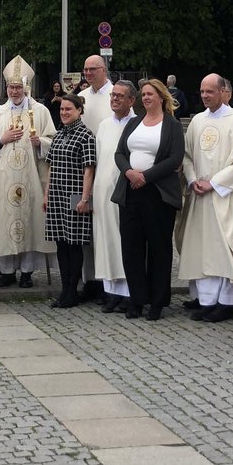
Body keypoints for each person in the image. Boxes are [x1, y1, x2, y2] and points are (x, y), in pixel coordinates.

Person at [178, 74, 233, 323]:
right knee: (202, 248)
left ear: (223, 92)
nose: (204, 96)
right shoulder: (197, 121)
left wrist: (213, 183)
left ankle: (228, 301)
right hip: (200, 195)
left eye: (209, 91)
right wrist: (193, 180)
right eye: (201, 91)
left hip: (225, 196)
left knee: (225, 248)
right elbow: (187, 156)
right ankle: (206, 300)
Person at [114, 78, 184, 321]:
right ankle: (136, 299)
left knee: (158, 248)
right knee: (131, 247)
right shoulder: (134, 123)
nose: (145, 98)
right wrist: (129, 172)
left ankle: (157, 301)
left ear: (162, 97)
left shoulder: (172, 126)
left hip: (157, 193)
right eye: (143, 94)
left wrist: (146, 176)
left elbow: (175, 158)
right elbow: (120, 152)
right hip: (130, 190)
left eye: (150, 94)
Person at [0, 57, 54, 288]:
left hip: (31, 176)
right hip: (4, 178)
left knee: (30, 222)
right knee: (5, 222)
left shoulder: (40, 111)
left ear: (26, 88)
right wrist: (1, 140)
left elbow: (53, 141)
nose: (14, 91)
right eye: (11, 87)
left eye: (18, 87)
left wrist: (39, 142)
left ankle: (26, 272)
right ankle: (6, 271)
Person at [44, 93, 97, 308]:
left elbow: (89, 170)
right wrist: (46, 194)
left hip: (75, 196)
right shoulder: (58, 135)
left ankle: (72, 292)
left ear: (79, 111)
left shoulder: (86, 136)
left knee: (74, 245)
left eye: (69, 109)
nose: (64, 113)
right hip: (57, 195)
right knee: (61, 244)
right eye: (62, 109)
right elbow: (51, 166)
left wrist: (86, 198)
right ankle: (64, 290)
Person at [92, 80, 137, 313]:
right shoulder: (104, 125)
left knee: (126, 242)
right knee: (106, 240)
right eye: (113, 96)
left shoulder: (138, 124)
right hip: (102, 191)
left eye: (120, 96)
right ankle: (112, 292)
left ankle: (130, 291)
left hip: (126, 191)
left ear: (131, 100)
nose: (115, 99)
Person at [77, 54, 113, 301]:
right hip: (81, 169)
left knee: (104, 227)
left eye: (93, 69)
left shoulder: (115, 95)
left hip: (107, 169)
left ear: (104, 70)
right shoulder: (83, 97)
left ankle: (105, 280)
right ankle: (87, 278)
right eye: (86, 70)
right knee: (84, 228)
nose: (88, 74)